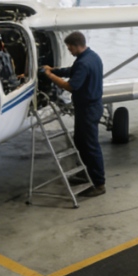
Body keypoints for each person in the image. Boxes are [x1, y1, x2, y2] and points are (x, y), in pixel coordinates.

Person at [40, 31, 106, 197]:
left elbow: (70, 86)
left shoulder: (83, 63)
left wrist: (49, 76)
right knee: (80, 142)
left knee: (90, 146)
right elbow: (72, 70)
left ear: (77, 45)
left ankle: (99, 184)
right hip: (91, 106)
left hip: (88, 109)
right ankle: (86, 174)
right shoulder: (92, 57)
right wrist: (54, 70)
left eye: (70, 48)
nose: (69, 50)